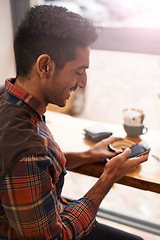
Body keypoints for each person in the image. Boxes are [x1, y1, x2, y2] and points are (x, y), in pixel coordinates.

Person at [0, 5, 148, 240]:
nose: (83, 83)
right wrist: (108, 178)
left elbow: (39, 167)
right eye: (79, 71)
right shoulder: (27, 151)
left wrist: (87, 156)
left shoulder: (9, 99)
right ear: (45, 66)